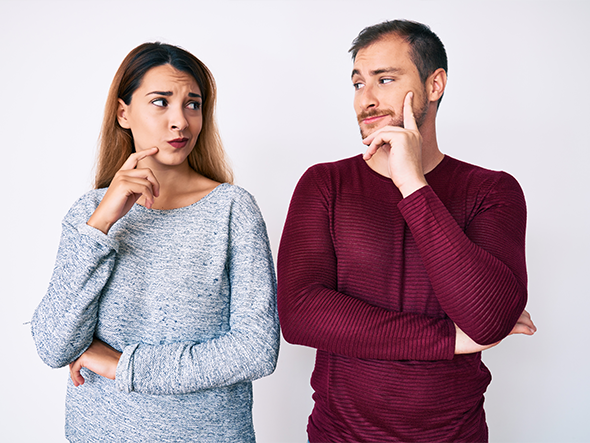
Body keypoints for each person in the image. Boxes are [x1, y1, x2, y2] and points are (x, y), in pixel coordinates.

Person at [277, 19, 536, 442]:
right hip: (338, 435)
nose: (367, 98)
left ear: (435, 85)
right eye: (359, 83)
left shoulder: (492, 191)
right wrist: (451, 338)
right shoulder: (324, 184)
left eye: (385, 79)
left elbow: (488, 320)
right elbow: (301, 315)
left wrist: (412, 185)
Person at [31, 42, 279, 442]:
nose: (180, 121)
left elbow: (255, 350)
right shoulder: (90, 213)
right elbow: (53, 346)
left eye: (192, 104)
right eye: (161, 102)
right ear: (123, 113)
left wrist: (122, 366)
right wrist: (103, 223)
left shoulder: (233, 210)